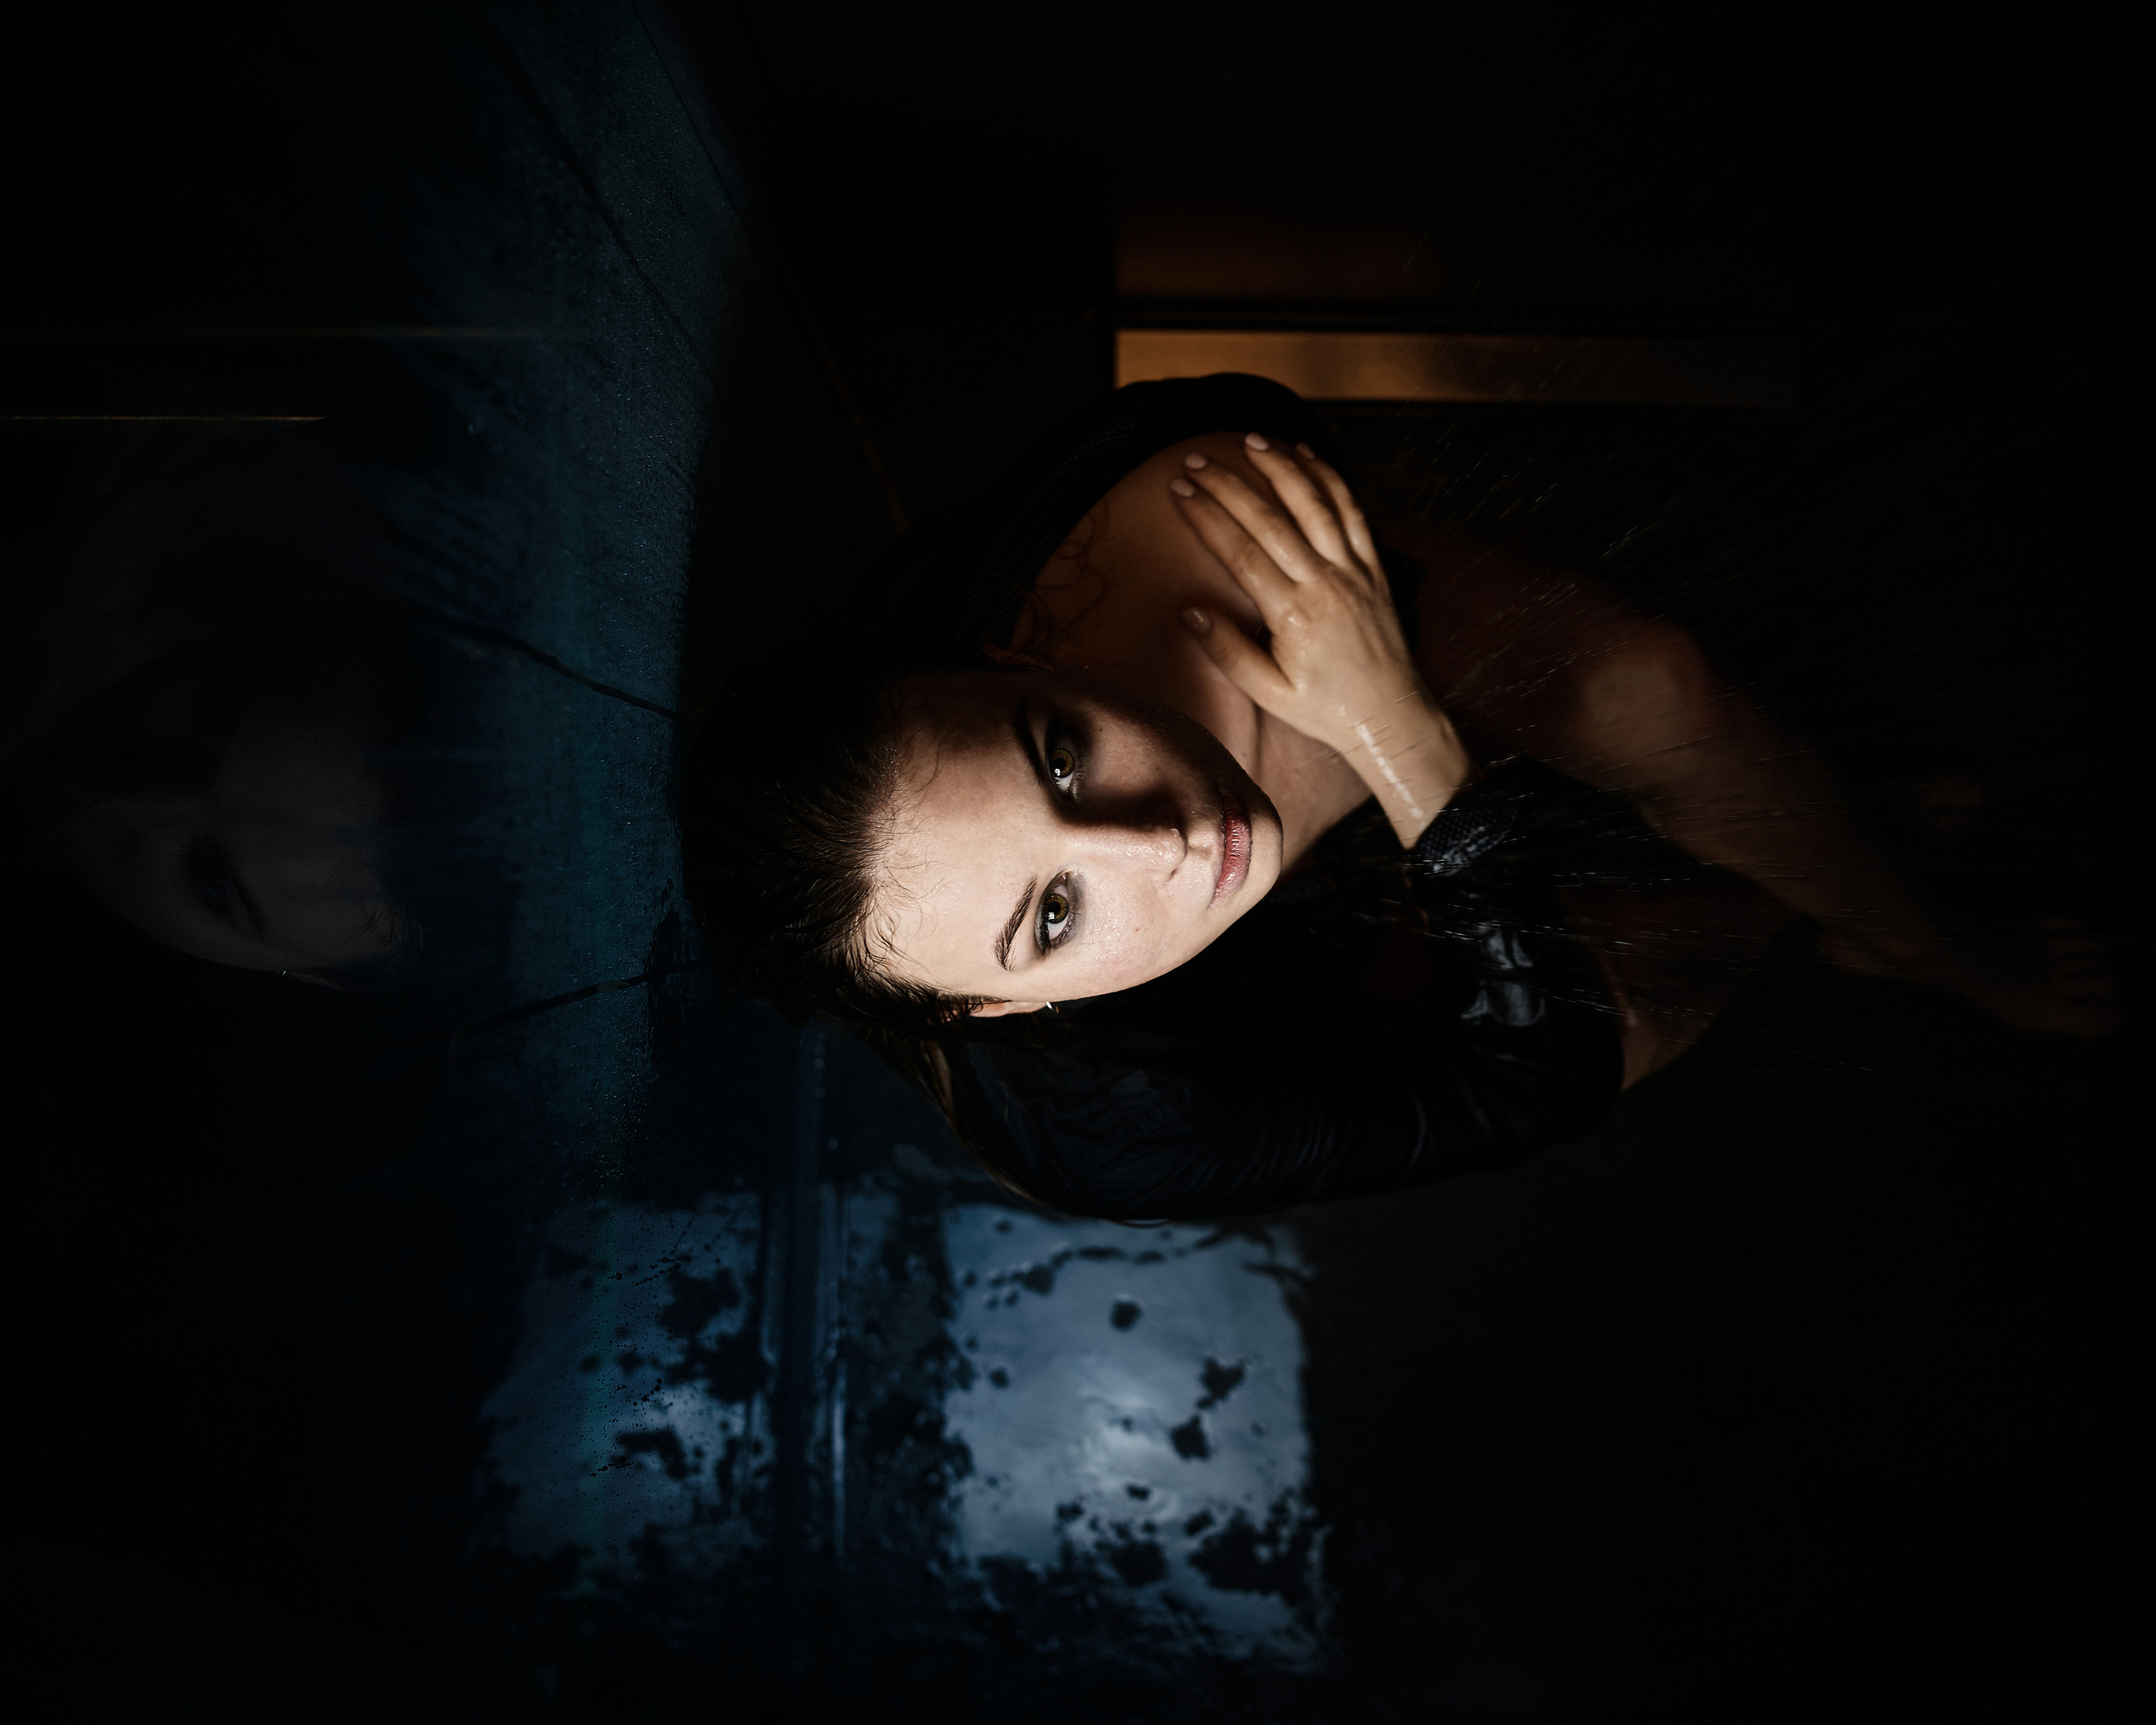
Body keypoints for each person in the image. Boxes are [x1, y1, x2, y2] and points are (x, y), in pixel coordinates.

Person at [681, 375, 2114, 1221]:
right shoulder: (1119, 1119)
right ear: (1001, 1008)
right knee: (1640, 989)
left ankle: (1923, 933)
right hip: (1277, 1001)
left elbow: (1641, 691)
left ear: (1010, 653)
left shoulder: (1178, 523)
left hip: (1189, 681)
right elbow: (1527, 1084)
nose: (1164, 839)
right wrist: (1400, 738)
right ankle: (1787, 905)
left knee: (1659, 700)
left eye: (1062, 757)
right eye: (1053, 913)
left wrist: (1393, 709)